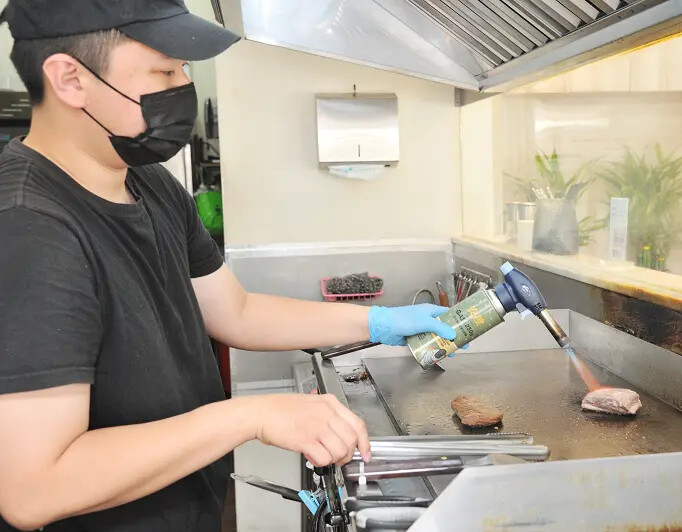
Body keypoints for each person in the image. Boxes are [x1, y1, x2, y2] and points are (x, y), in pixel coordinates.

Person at [0, 1, 459, 530]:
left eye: (183, 71)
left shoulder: (148, 183)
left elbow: (235, 312)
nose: (182, 87)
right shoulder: (28, 228)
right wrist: (251, 415)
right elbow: (34, 487)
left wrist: (379, 322)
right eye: (164, 70)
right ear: (69, 79)